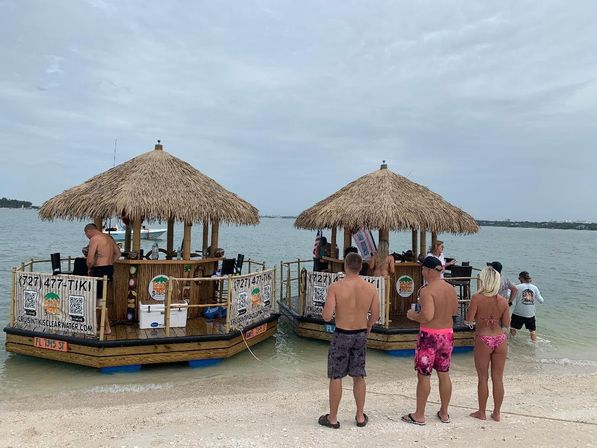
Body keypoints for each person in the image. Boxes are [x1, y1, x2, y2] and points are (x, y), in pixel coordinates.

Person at [318, 252, 380, 429]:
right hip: (360, 333)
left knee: (336, 375)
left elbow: (327, 316)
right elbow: (376, 314)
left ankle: (333, 418)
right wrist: (368, 326)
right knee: (358, 375)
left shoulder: (336, 287)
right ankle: (360, 416)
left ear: (345, 266)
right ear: (361, 267)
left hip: (342, 333)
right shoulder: (370, 288)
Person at [402, 256, 457, 425]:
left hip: (430, 336)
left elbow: (427, 316)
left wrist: (413, 316)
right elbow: (454, 311)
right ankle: (444, 412)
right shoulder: (450, 288)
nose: (422, 272)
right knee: (444, 374)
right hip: (447, 334)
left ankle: (419, 415)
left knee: (424, 376)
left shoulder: (427, 291)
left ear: (428, 270)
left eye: (423, 269)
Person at [466, 266, 511, 422]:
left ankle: (482, 412)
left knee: (483, 378)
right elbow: (506, 323)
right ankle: (497, 413)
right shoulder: (503, 301)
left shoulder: (476, 298)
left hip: (483, 338)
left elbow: (470, 319)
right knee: (498, 378)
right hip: (500, 338)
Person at [84, 223, 121, 335]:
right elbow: (118, 253)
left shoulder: (95, 239)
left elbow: (90, 260)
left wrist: (90, 269)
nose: (87, 237)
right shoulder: (109, 237)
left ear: (89, 231)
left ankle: (106, 328)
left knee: (99, 300)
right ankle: (95, 326)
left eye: (86, 235)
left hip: (99, 270)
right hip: (109, 269)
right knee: (100, 299)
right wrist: (109, 263)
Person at [510, 271, 544, 342]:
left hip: (518, 313)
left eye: (519, 278)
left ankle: (513, 343)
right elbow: (541, 301)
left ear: (522, 278)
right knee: (532, 330)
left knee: (513, 328)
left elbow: (508, 296)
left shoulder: (517, 287)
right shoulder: (535, 288)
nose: (519, 279)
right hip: (530, 314)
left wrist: (511, 287)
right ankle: (534, 344)